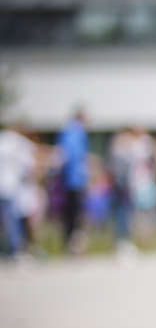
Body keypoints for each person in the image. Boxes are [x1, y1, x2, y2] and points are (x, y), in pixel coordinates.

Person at [0, 117, 36, 260]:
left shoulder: (2, 139)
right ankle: (15, 252)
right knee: (13, 221)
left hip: (4, 187)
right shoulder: (19, 143)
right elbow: (30, 163)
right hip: (11, 187)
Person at [55, 107, 89, 255]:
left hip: (72, 178)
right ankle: (72, 245)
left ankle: (72, 244)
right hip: (72, 179)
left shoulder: (70, 130)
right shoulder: (74, 131)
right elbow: (68, 155)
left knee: (72, 214)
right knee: (73, 214)